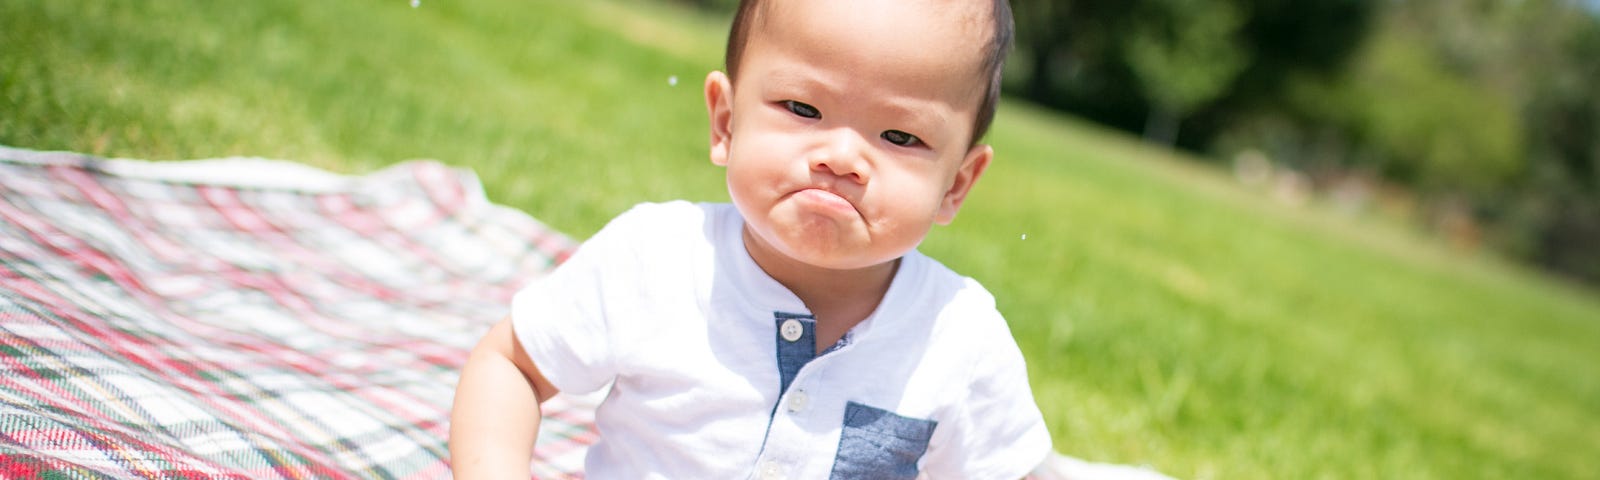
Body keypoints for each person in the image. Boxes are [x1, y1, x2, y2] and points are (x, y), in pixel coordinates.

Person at [449, 0, 1052, 477]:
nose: (842, 158)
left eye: (899, 137)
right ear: (726, 122)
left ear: (956, 184)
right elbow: (512, 366)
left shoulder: (959, 339)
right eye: (803, 107)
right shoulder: (655, 259)